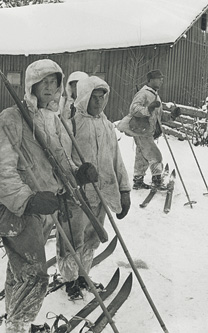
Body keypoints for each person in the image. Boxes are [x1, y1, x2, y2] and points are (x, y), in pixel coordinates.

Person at [0, 59, 97, 333]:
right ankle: (19, 327)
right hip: (17, 211)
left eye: (54, 82)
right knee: (34, 276)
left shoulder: (51, 120)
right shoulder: (13, 118)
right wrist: (27, 199)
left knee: (19, 271)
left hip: (44, 211)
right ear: (31, 85)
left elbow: (58, 162)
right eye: (43, 82)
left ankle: (15, 321)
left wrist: (77, 174)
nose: (49, 88)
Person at [57, 76, 131, 299]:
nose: (98, 102)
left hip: (102, 193)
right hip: (77, 195)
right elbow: (63, 158)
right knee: (72, 238)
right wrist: (76, 174)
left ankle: (83, 275)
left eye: (102, 98)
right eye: (94, 98)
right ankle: (69, 280)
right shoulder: (71, 124)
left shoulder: (108, 126)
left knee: (91, 238)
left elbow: (116, 159)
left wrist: (124, 190)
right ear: (84, 98)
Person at [124, 69, 180, 190]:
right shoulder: (143, 93)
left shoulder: (155, 95)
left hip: (146, 130)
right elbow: (134, 109)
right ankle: (157, 180)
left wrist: (172, 116)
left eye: (162, 79)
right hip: (141, 129)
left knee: (142, 156)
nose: (161, 81)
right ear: (150, 80)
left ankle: (138, 181)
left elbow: (158, 115)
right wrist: (148, 109)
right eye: (159, 79)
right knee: (155, 156)